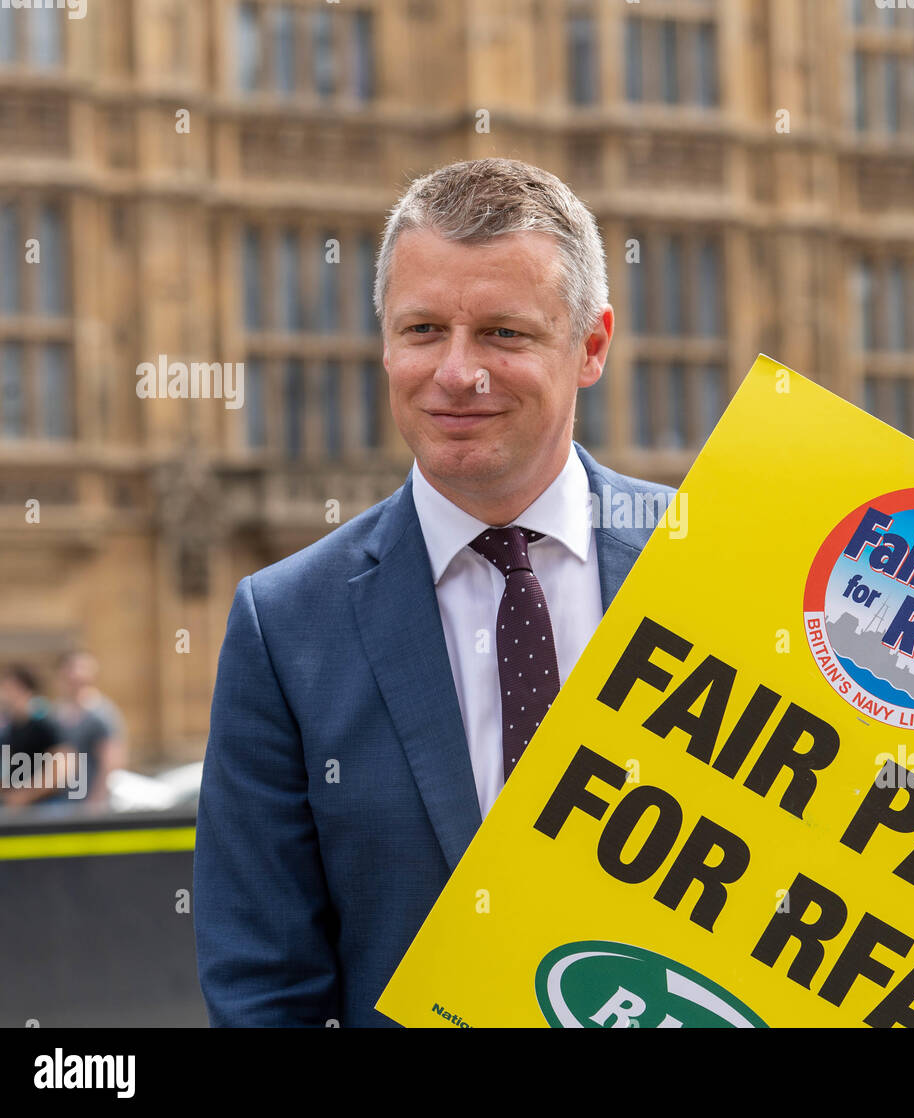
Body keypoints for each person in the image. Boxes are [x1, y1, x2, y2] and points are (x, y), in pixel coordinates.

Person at [194, 158, 678, 1026]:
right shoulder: (285, 625)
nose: (459, 373)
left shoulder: (703, 564)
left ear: (593, 345)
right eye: (422, 330)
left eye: (504, 333)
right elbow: (264, 983)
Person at [0, 665, 80, 815]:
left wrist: (25, 795)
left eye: (7, 688)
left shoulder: (44, 721)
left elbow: (64, 764)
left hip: (46, 808)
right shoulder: (12, 727)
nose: (2, 694)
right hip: (18, 809)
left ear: (22, 688)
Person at [55, 651, 127, 813]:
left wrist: (96, 801)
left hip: (90, 802)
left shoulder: (101, 715)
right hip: (64, 800)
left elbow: (112, 762)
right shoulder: (59, 713)